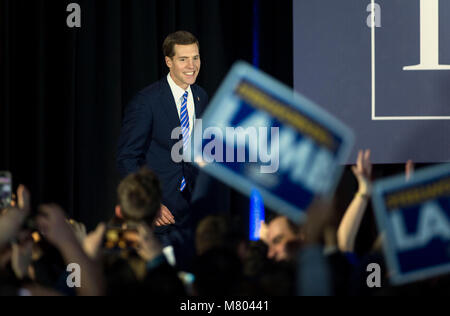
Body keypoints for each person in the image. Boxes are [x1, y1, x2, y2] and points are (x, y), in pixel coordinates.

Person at [116, 31, 209, 270]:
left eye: (196, 58)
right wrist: (150, 204)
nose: (192, 66)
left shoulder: (201, 96)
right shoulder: (147, 101)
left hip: (192, 216)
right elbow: (127, 157)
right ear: (168, 61)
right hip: (159, 216)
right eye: (183, 59)